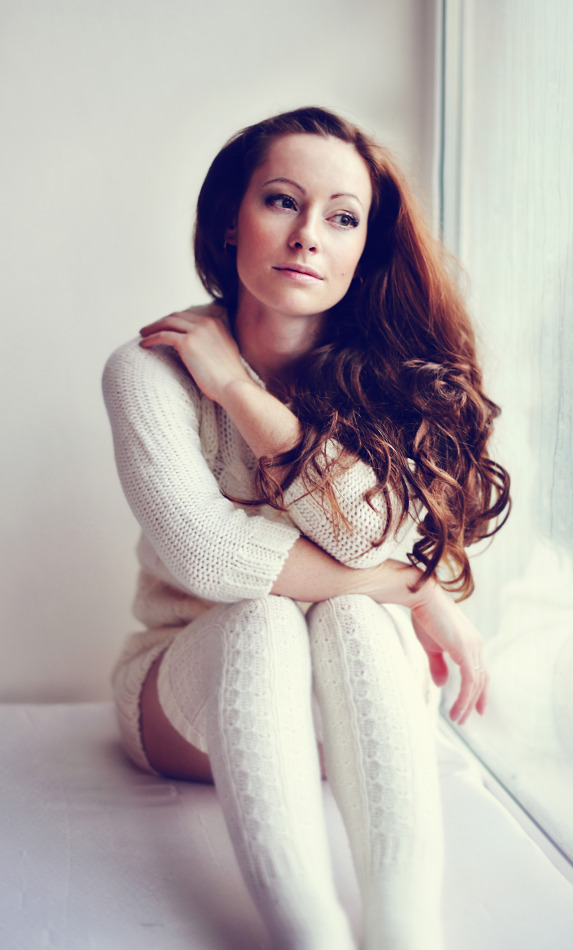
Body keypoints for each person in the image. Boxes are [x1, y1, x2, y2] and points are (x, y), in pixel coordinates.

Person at [102, 106, 510, 950]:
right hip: (183, 693)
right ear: (228, 223)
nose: (307, 237)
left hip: (342, 700)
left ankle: (405, 932)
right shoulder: (148, 366)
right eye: (282, 202)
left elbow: (359, 537)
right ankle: (307, 937)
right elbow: (210, 558)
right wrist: (410, 586)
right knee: (259, 615)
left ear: (364, 248)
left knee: (353, 614)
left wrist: (243, 397)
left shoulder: (395, 380)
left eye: (342, 217)